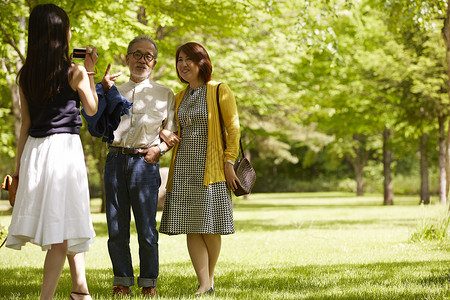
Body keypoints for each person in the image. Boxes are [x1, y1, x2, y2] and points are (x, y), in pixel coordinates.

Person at [5, 4, 98, 300]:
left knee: (67, 218)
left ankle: (80, 291)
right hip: (63, 151)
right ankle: (46, 298)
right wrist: (91, 71)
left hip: (35, 151)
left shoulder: (25, 74)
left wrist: (18, 168)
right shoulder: (76, 71)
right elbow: (93, 109)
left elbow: (26, 125)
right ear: (62, 33)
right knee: (60, 231)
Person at [159, 42, 241, 295]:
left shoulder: (219, 90)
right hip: (183, 168)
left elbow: (233, 128)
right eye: (179, 60)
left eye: (189, 60)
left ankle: (210, 279)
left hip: (212, 169)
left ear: (202, 62)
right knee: (191, 226)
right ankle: (203, 282)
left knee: (209, 226)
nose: (183, 65)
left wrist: (229, 162)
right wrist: (163, 131)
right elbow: (168, 129)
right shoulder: (179, 97)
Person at [101, 35, 178, 297]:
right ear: (127, 58)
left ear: (154, 62)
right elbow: (96, 124)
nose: (141, 60)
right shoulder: (112, 91)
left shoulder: (165, 93)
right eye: (137, 54)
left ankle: (148, 283)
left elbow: (172, 133)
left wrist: (160, 149)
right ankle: (122, 281)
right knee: (116, 227)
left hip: (144, 164)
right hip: (114, 160)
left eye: (148, 56)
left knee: (147, 228)